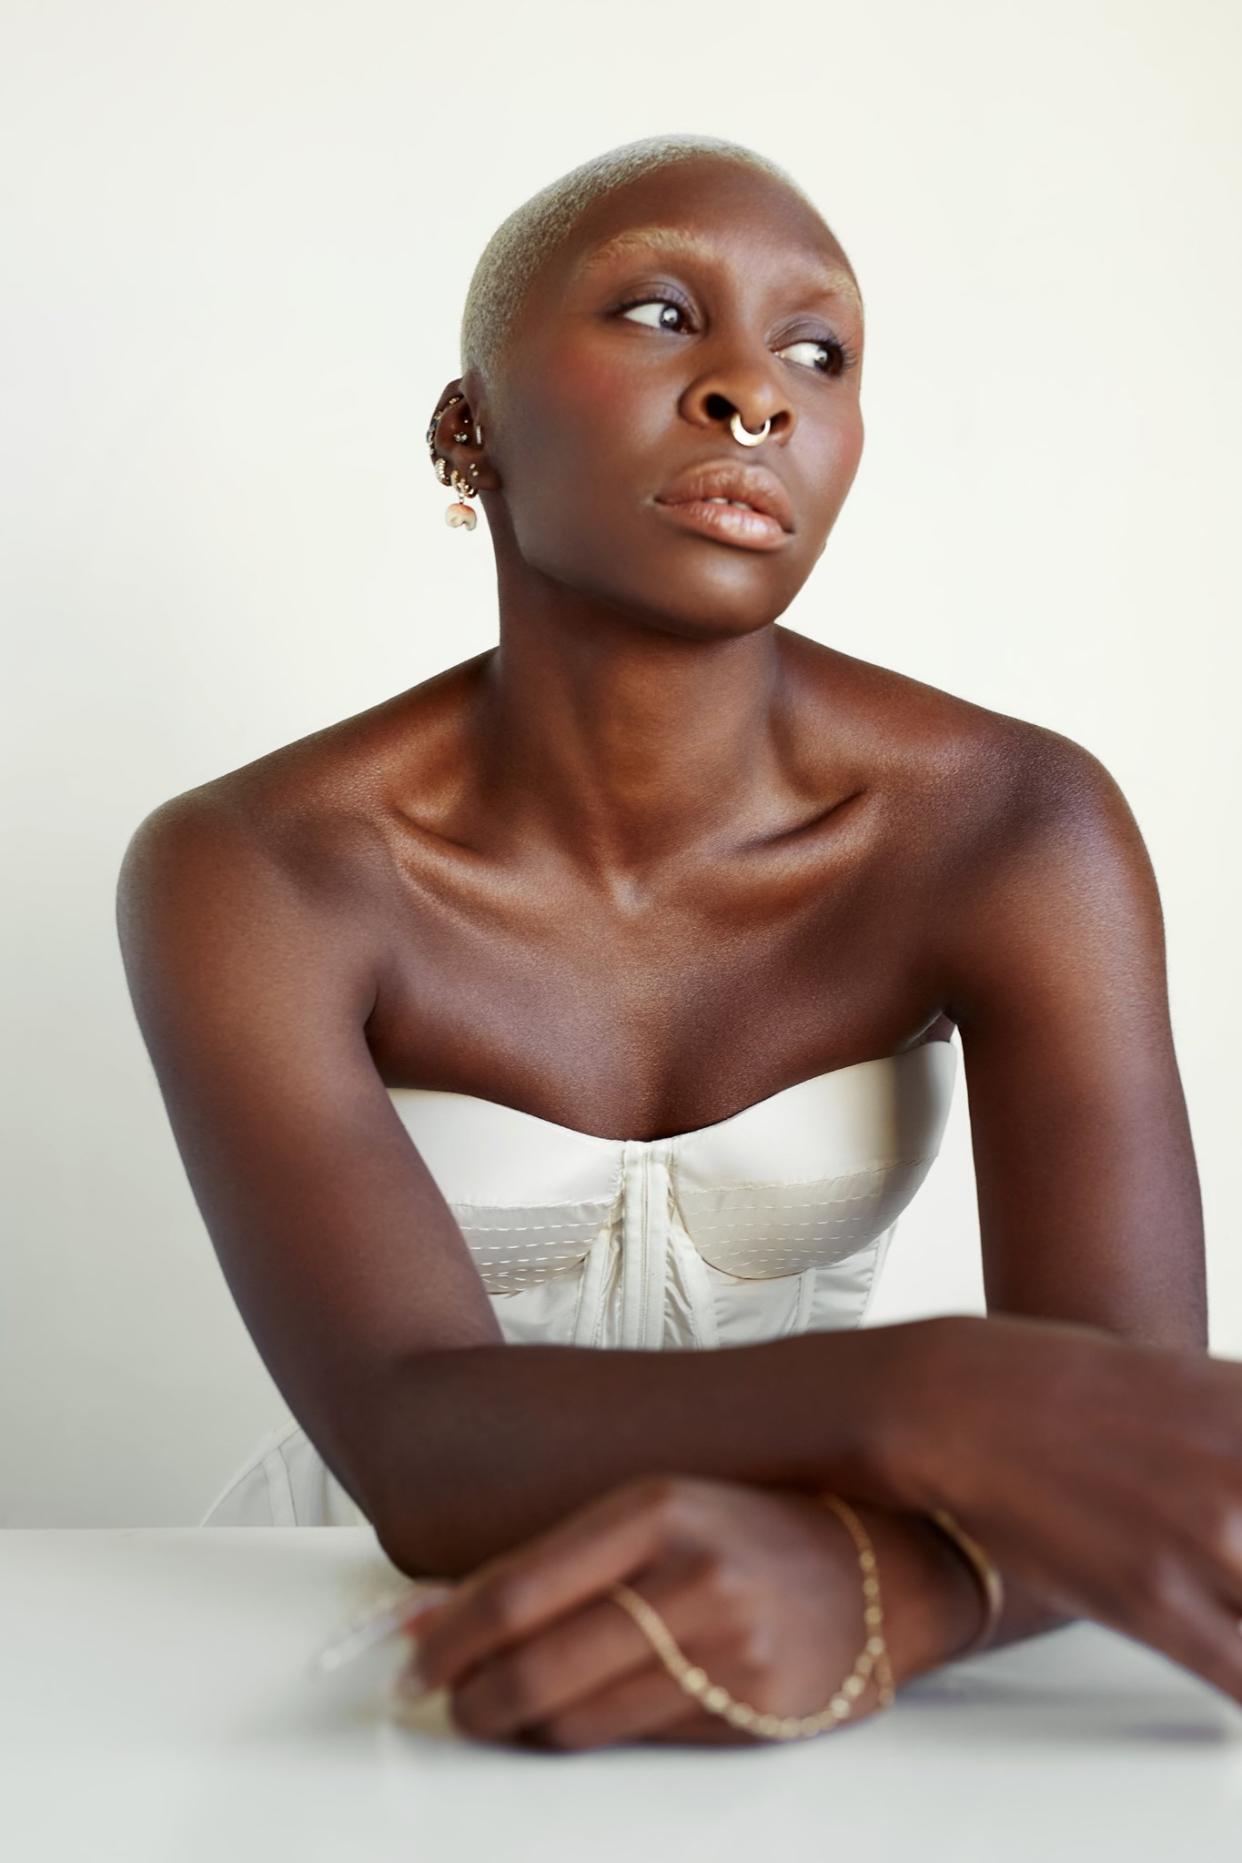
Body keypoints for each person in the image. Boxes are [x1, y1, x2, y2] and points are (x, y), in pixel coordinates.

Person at [117, 133, 1242, 1752]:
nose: (750, 395)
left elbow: (1122, 1428)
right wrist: (938, 1399)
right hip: (337, 1643)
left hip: (852, 1652)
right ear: (468, 424)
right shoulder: (257, 867)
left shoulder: (1012, 824)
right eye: (657, 314)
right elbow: (417, 1446)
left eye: (815, 352)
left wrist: (879, 1601)